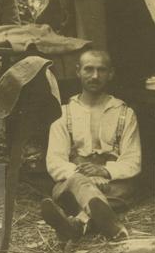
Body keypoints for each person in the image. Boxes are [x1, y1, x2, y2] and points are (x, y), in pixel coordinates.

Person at [42, 49, 141, 240]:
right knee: (77, 186)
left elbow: (133, 160)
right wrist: (85, 178)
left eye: (101, 70)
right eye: (88, 69)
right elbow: (55, 162)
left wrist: (104, 171)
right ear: (78, 71)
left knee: (122, 190)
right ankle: (112, 225)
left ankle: (78, 223)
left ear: (111, 73)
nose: (95, 76)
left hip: (111, 185)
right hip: (73, 182)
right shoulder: (63, 113)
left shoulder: (125, 113)